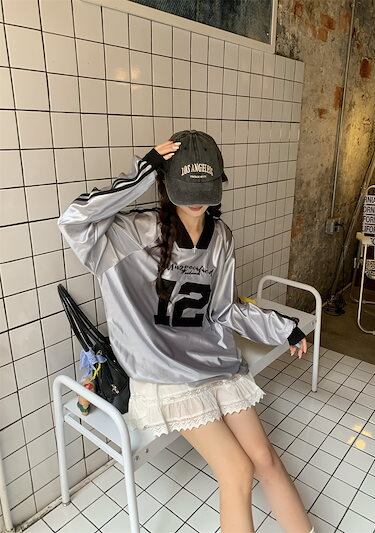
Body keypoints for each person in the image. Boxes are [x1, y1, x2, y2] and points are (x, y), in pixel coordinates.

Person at [58, 130, 314, 533]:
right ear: (165, 184)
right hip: (165, 373)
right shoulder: (131, 234)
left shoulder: (221, 237)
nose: (196, 200)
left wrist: (284, 329)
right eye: (185, 189)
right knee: (237, 470)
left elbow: (224, 309)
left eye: (204, 189)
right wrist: (143, 171)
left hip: (214, 361)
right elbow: (74, 220)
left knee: (265, 459)